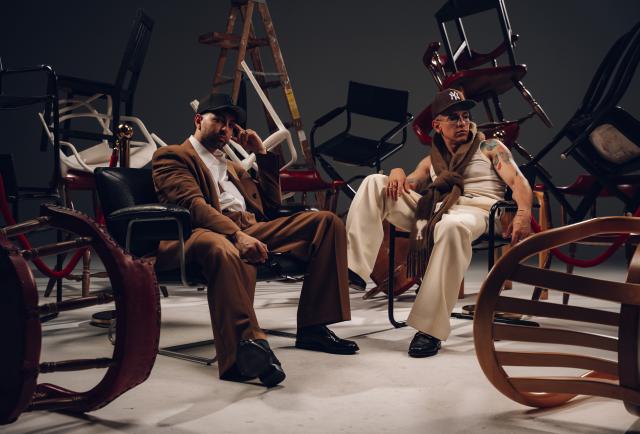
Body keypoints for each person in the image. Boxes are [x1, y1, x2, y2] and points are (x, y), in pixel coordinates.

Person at [152, 93, 358, 387]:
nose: (225, 129)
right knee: (224, 248)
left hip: (250, 227)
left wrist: (261, 153)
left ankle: (313, 328)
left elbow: (271, 205)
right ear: (198, 120)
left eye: (230, 124)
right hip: (202, 231)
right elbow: (193, 207)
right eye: (218, 120)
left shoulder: (232, 165)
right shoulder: (174, 156)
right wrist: (236, 235)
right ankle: (246, 350)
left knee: (327, 223)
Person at [346, 88, 532, 357]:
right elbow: (409, 183)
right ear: (437, 125)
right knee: (375, 182)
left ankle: (429, 329)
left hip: (478, 211)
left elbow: (518, 182)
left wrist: (523, 213)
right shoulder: (432, 159)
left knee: (451, 226)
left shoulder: (490, 147)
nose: (462, 123)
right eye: (454, 118)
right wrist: (396, 172)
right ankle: (352, 269)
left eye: (465, 116)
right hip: (435, 210)